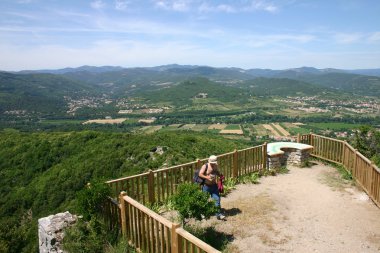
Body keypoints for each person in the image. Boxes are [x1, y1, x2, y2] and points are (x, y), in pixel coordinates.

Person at [198, 155, 226, 220]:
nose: (214, 164)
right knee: (204, 200)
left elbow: (216, 172)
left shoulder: (215, 166)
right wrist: (207, 177)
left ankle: (218, 214)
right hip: (206, 186)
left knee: (217, 200)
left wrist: (220, 175)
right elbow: (200, 174)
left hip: (214, 186)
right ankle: (203, 214)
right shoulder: (205, 166)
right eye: (213, 163)